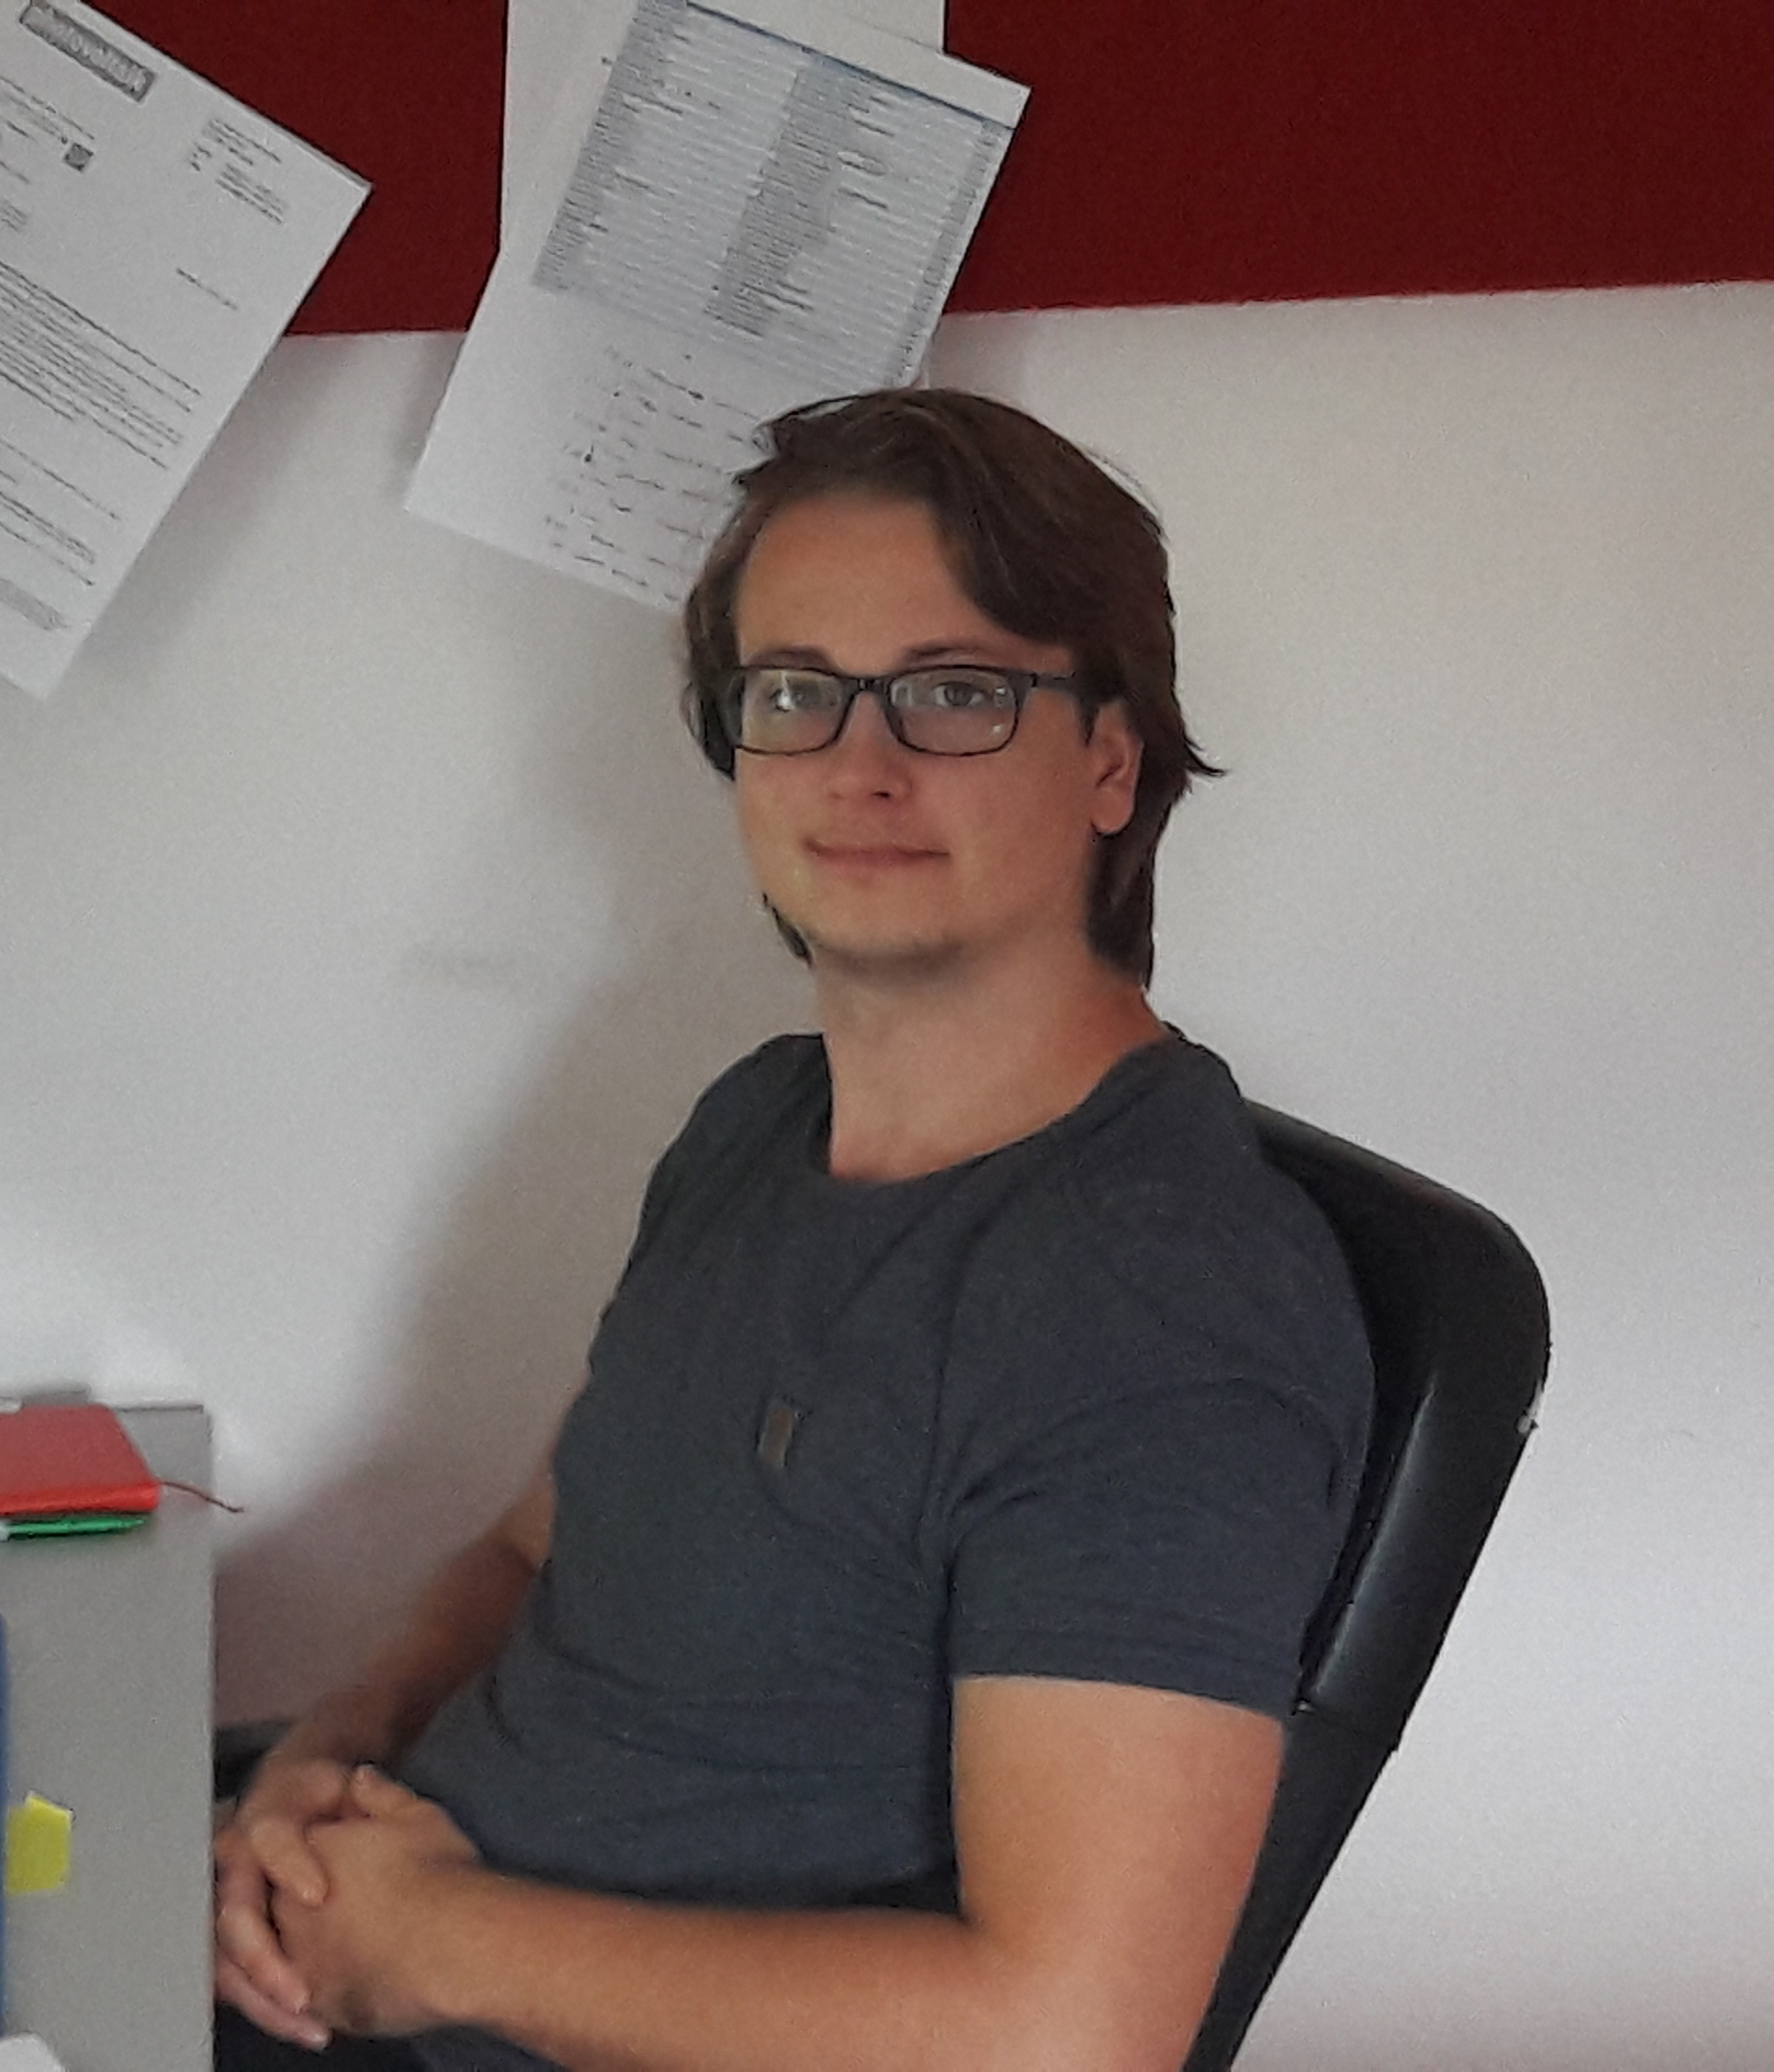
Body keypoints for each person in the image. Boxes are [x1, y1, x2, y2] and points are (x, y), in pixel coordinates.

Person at [214, 390, 1374, 2072]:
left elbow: (1068, 2034)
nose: (859, 763)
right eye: (794, 694)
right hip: (356, 1958)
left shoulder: (1158, 1306)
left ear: (1112, 761)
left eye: (957, 692)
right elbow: (536, 1551)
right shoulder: (760, 1122)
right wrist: (343, 1738)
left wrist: (433, 1947)